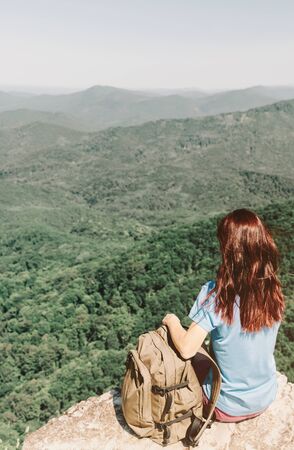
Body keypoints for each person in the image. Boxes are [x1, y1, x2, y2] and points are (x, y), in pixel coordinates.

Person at [162, 208, 285, 423]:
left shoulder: (217, 296)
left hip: (226, 406)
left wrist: (171, 321)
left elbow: (186, 349)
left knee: (187, 359)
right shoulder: (273, 291)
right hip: (265, 397)